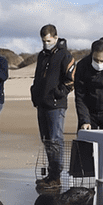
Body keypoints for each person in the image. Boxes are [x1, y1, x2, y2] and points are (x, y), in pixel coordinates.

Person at [31, 25, 75, 189]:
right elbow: (38, 77)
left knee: (55, 140)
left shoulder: (65, 55)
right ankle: (51, 174)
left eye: (48, 41)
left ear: (56, 38)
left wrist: (59, 93)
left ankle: (56, 176)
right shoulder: (42, 55)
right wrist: (34, 94)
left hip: (56, 105)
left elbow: (71, 80)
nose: (46, 44)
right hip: (42, 103)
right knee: (46, 140)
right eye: (43, 41)